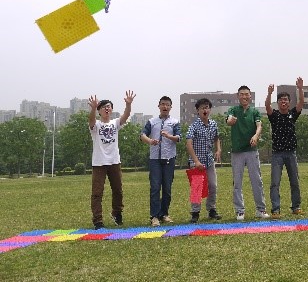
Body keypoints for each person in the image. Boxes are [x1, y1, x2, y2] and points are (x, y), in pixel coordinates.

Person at [88, 90, 135, 229]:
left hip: (114, 161)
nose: (107, 109)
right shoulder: (96, 125)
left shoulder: (115, 123)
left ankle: (117, 213)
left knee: (118, 190)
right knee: (97, 193)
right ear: (99, 111)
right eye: (104, 107)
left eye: (109, 107)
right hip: (99, 163)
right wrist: (92, 108)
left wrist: (128, 104)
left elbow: (126, 116)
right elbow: (91, 121)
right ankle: (98, 220)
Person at [227, 85, 270, 220]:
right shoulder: (234, 110)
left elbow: (259, 126)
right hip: (237, 151)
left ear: (250, 96)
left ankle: (261, 209)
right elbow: (228, 119)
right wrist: (230, 120)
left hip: (251, 151)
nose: (244, 96)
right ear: (238, 96)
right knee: (237, 182)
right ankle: (239, 210)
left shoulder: (254, 112)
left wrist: (256, 136)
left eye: (246, 94)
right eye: (242, 94)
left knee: (257, 180)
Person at [265, 77, 305, 219]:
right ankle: (275, 209)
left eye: (286, 100)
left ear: (289, 102)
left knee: (294, 181)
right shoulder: (274, 116)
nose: (283, 102)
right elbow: (267, 106)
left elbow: (301, 102)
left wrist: (300, 88)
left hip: (291, 153)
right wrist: (269, 93)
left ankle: (296, 207)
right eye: (281, 100)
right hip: (277, 154)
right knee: (275, 183)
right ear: (278, 102)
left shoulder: (292, 114)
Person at [140, 96, 181, 227]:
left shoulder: (175, 122)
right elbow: (142, 135)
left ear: (170, 107)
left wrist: (169, 136)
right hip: (155, 160)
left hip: (169, 158)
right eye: (163, 104)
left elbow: (179, 138)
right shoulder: (152, 122)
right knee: (155, 187)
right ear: (159, 106)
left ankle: (164, 214)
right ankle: (154, 216)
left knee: (167, 188)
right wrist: (150, 141)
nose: (165, 107)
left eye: (167, 105)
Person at [186, 98, 222, 222]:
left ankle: (211, 209)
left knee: (213, 185)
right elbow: (189, 143)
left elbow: (217, 138)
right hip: (197, 162)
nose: (205, 110)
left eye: (207, 107)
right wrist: (196, 161)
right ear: (198, 110)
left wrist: (218, 149)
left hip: (209, 161)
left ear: (210, 109)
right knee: (197, 187)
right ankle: (195, 212)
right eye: (202, 108)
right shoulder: (194, 126)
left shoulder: (213, 124)